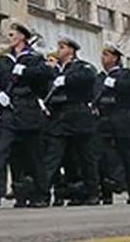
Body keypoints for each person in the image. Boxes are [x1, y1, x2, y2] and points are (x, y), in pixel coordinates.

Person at [0, 20, 52, 209]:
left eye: (12, 35)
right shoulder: (4, 61)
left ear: (22, 37)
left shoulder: (34, 59)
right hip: (9, 112)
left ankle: (40, 194)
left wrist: (27, 71)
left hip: (28, 112)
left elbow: (46, 76)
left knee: (34, 156)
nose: (9, 38)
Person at [40, 36, 99, 207]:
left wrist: (67, 80)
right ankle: (43, 194)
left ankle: (91, 193)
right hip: (59, 117)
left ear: (71, 51)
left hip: (78, 116)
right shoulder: (54, 70)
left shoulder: (81, 66)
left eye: (62, 47)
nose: (58, 50)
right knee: (54, 158)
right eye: (58, 46)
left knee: (85, 158)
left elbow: (88, 77)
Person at [94, 42, 130, 205]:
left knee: (129, 157)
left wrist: (114, 83)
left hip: (122, 119)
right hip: (104, 120)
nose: (103, 58)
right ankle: (106, 193)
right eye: (103, 54)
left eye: (107, 55)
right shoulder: (100, 77)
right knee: (103, 157)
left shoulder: (125, 74)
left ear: (115, 58)